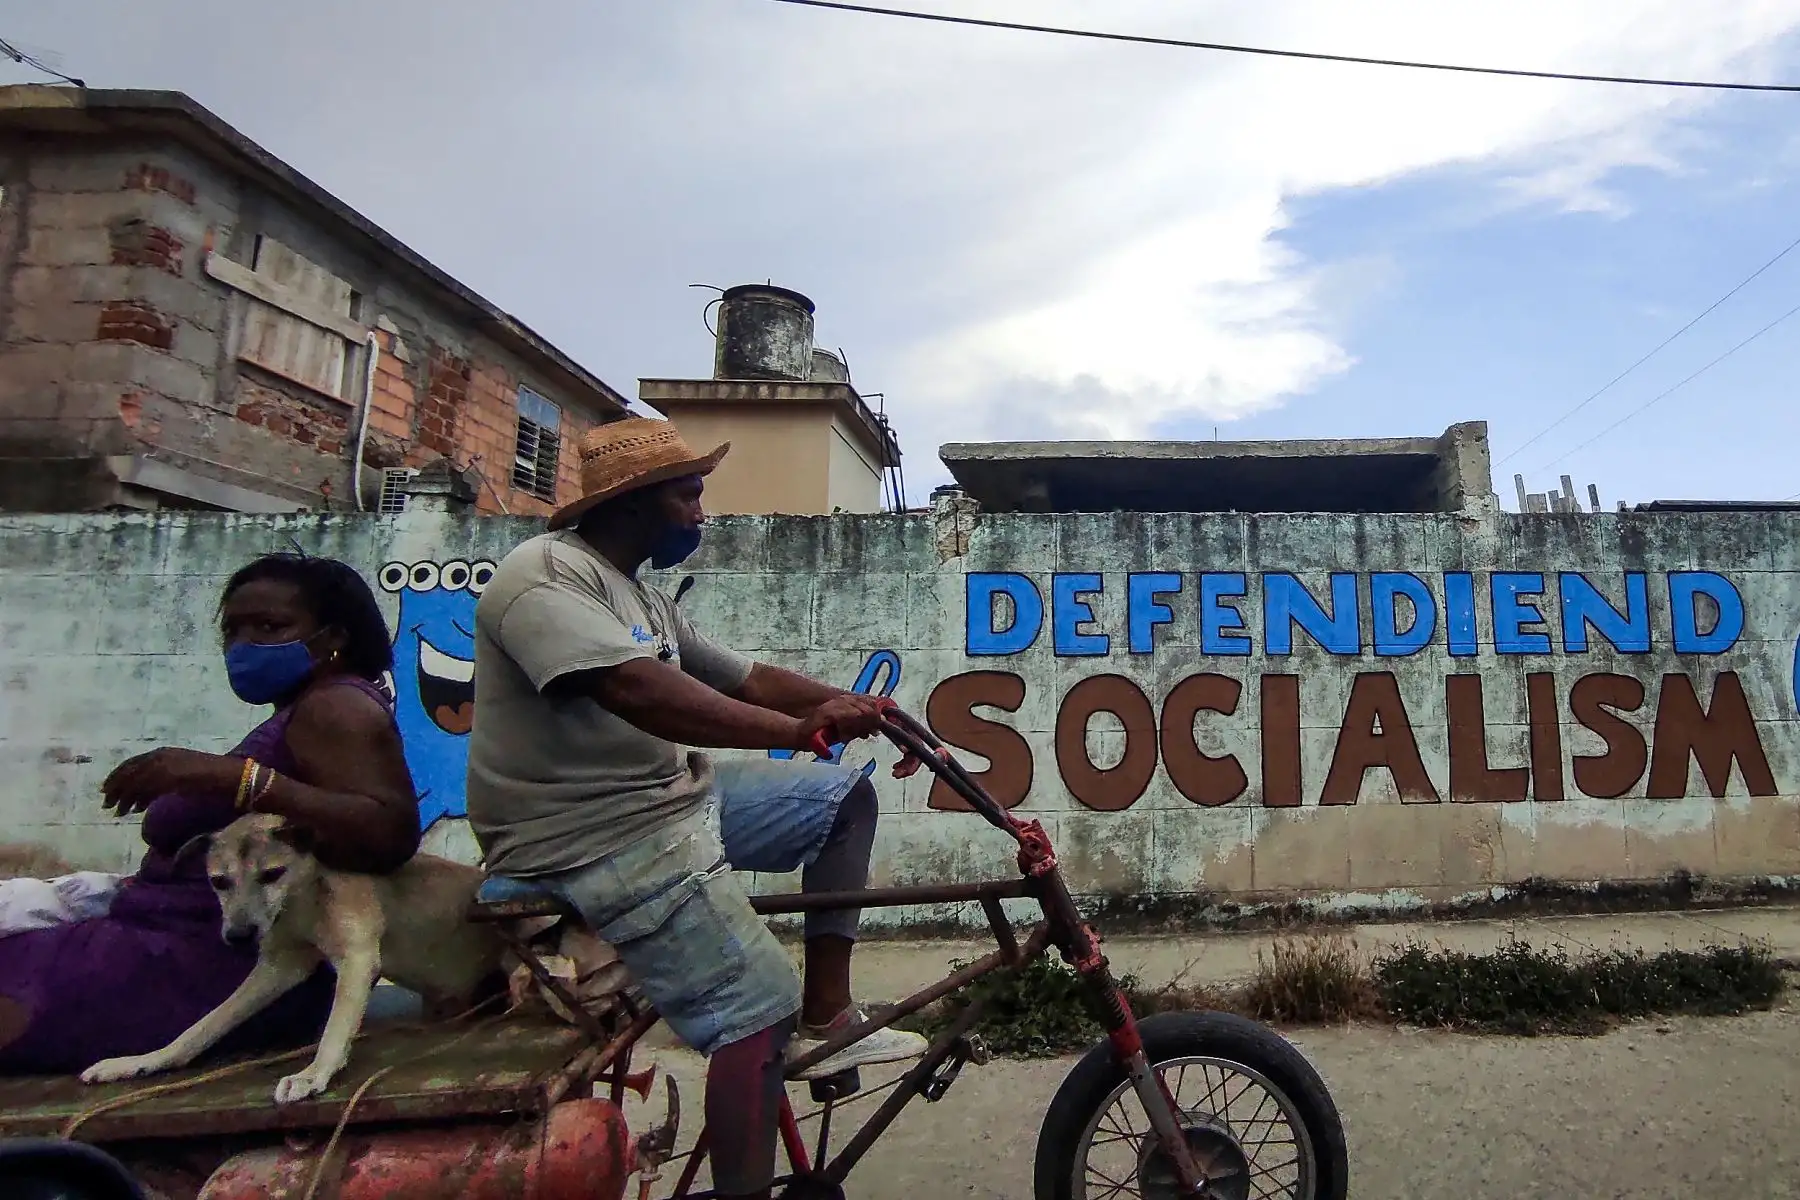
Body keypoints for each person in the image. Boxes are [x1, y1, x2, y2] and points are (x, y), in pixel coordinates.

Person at [468, 416, 927, 1200]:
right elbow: (635, 689)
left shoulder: (642, 596)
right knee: (757, 1007)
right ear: (633, 502)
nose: (701, 513)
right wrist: (797, 731)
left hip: (668, 799)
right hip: (588, 834)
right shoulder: (542, 576)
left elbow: (747, 678)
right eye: (687, 496)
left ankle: (829, 1016)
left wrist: (866, 709)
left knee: (845, 798)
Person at [0, 554, 421, 1076]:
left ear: (331, 638)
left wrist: (231, 777)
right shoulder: (302, 709)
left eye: (269, 627)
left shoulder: (336, 706)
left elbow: (389, 831)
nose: (244, 645)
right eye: (232, 630)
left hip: (209, 964)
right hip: (159, 934)